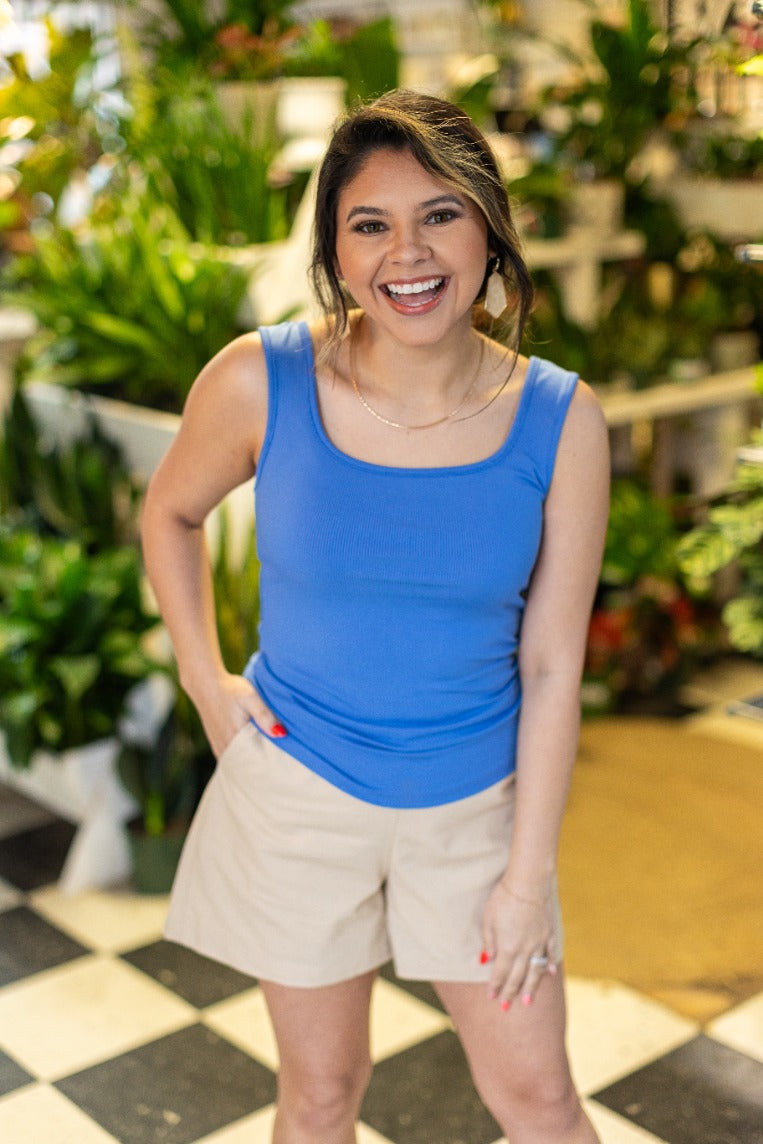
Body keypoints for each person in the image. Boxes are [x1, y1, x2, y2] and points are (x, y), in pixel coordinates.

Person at [141, 89, 610, 1144]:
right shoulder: (261, 380)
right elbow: (168, 513)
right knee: (319, 1094)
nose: (408, 253)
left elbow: (551, 668)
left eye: (440, 214)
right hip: (299, 791)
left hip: (478, 809)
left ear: (489, 231)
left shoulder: (560, 419)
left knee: (538, 1099)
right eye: (370, 224)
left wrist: (527, 877)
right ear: (336, 253)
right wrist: (206, 684)